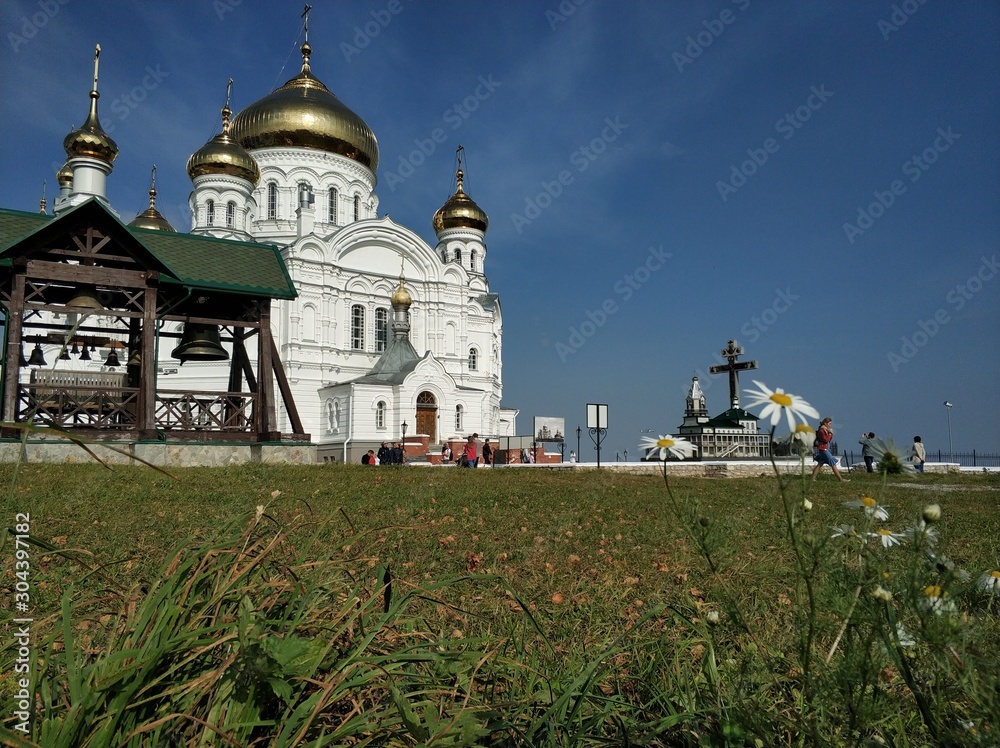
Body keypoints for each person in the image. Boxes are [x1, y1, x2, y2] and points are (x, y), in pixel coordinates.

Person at [811, 417, 848, 482]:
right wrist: (830, 434)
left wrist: (830, 433)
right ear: (825, 423)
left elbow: (828, 440)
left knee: (820, 464)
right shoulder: (821, 431)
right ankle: (841, 479)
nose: (830, 425)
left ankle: (812, 479)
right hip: (823, 449)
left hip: (822, 449)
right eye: (829, 423)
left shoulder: (824, 430)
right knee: (833, 463)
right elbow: (826, 440)